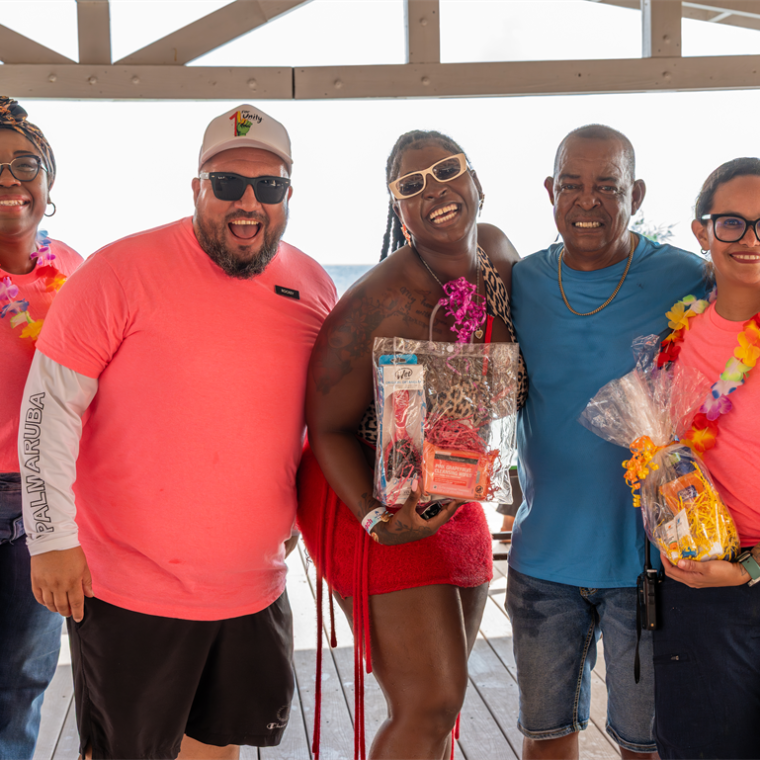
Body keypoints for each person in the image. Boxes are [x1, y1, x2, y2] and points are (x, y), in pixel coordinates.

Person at [19, 104, 336, 760]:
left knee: (219, 749)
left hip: (254, 584)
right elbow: (48, 407)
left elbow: (317, 417)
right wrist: (51, 539)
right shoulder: (116, 271)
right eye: (227, 183)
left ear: (288, 196)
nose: (248, 201)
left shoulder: (313, 286)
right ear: (196, 187)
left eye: (269, 187)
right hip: (128, 586)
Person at [298, 129, 526, 760]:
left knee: (443, 703)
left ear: (477, 180)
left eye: (448, 171)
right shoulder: (378, 299)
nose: (436, 191)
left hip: (452, 487)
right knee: (427, 700)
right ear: (397, 208)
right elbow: (328, 428)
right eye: (411, 185)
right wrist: (377, 519)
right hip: (363, 495)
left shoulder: (501, 253)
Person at [507, 124, 707, 760]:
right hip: (542, 563)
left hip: (651, 564)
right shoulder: (522, 282)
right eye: (571, 185)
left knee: (645, 747)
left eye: (607, 187)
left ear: (637, 193)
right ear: (550, 192)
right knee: (545, 741)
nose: (587, 201)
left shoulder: (688, 277)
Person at [651, 158, 760, 760]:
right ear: (702, 231)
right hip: (698, 596)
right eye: (733, 224)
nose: (750, 240)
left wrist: (750, 569)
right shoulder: (677, 338)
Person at [0, 96, 82, 760]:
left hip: (40, 500)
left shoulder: (78, 272)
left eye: (25, 164)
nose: (8, 179)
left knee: (23, 681)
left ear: (48, 182)